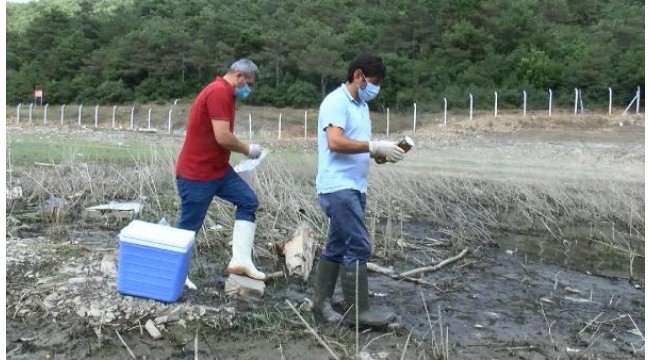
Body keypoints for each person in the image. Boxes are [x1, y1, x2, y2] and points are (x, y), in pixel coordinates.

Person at [312, 53, 406, 326]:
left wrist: (379, 154)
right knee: (360, 244)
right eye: (372, 82)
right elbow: (335, 142)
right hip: (337, 187)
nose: (374, 88)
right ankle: (359, 313)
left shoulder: (360, 106)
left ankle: (320, 304)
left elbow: (356, 146)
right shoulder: (336, 102)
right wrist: (373, 146)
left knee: (337, 245)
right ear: (358, 76)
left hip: (354, 186)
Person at [175, 58, 266, 281]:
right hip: (197, 174)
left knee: (248, 201)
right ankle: (175, 274)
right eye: (249, 84)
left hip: (218, 171)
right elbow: (223, 136)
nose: (249, 89)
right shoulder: (218, 92)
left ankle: (241, 260)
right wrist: (248, 149)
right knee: (189, 227)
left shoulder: (226, 93)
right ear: (239, 77)